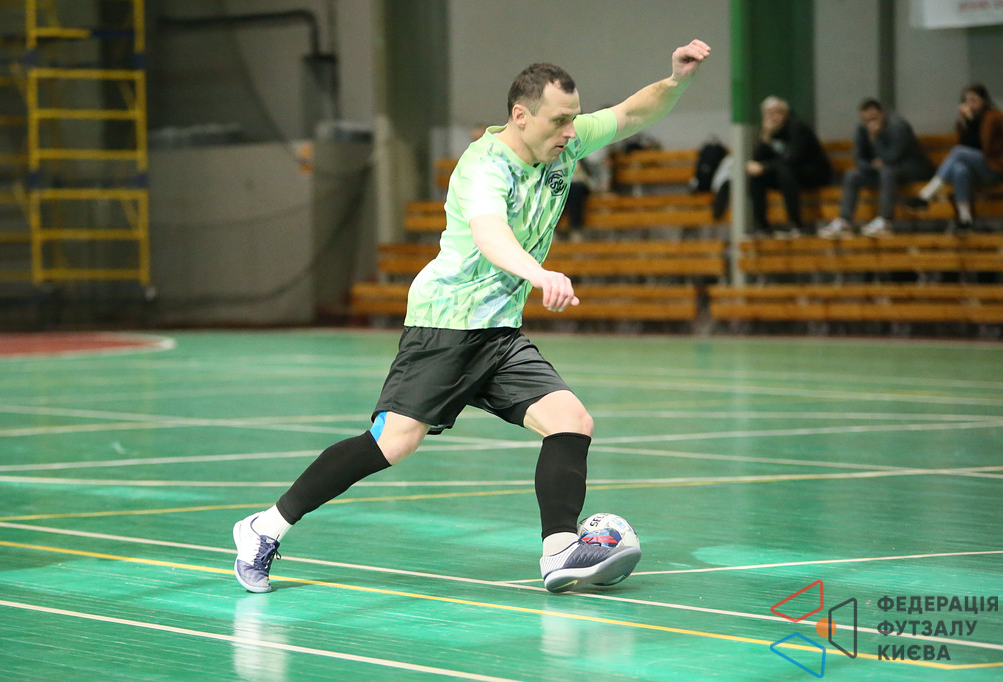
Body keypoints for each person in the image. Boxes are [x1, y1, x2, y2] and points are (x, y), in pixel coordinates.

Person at [232, 39, 712, 595]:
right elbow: (490, 235)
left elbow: (631, 114)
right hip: (446, 324)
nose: (569, 131)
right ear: (520, 115)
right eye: (559, 120)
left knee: (571, 421)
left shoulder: (565, 143)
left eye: (573, 119)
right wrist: (538, 274)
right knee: (393, 443)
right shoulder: (483, 166)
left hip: (500, 331)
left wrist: (675, 81)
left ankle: (559, 549)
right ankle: (264, 527)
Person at [819, 98, 934, 238]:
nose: (870, 124)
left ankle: (885, 220)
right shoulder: (861, 128)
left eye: (874, 118)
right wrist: (871, 165)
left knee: (887, 172)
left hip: (908, 171)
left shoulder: (898, 126)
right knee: (852, 175)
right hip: (880, 172)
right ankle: (845, 220)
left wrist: (875, 138)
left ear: (883, 114)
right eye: (866, 120)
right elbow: (859, 159)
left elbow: (892, 157)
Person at [906, 83, 1003, 231]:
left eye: (974, 100)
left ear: (984, 100)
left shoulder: (993, 117)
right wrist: (966, 122)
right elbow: (967, 144)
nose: (970, 104)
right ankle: (965, 218)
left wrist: (971, 122)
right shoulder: (967, 119)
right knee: (959, 170)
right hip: (977, 169)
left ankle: (926, 195)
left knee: (958, 152)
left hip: (994, 167)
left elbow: (985, 146)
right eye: (967, 100)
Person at [746, 96, 831, 238]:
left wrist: (765, 167)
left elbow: (793, 159)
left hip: (813, 173)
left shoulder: (796, 127)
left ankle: (796, 224)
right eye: (767, 113)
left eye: (775, 112)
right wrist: (765, 136)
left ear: (784, 113)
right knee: (756, 177)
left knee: (784, 171)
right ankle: (762, 226)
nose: (771, 117)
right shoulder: (768, 131)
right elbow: (758, 160)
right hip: (788, 175)